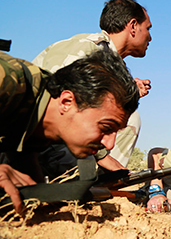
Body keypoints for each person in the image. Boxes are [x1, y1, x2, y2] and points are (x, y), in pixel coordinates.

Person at [0, 49, 139, 213]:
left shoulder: (44, 122)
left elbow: (26, 169)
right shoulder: (7, 80)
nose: (109, 144)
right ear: (66, 102)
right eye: (106, 128)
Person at [32, 0, 152, 173]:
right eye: (148, 29)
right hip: (37, 137)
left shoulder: (113, 64)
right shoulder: (86, 48)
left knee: (131, 119)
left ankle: (109, 178)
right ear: (133, 26)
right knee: (79, 181)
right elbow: (53, 101)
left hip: (65, 140)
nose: (150, 36)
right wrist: (103, 156)